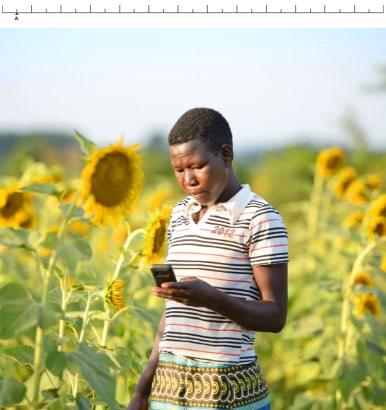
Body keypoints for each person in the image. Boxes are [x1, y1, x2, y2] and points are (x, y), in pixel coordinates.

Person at [128, 107, 288, 410]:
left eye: (197, 166)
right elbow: (171, 317)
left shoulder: (260, 218)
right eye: (178, 170)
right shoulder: (179, 215)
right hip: (169, 393)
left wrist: (211, 298)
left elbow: (275, 315)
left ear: (225, 154)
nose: (188, 179)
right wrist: (142, 391)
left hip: (229, 394)